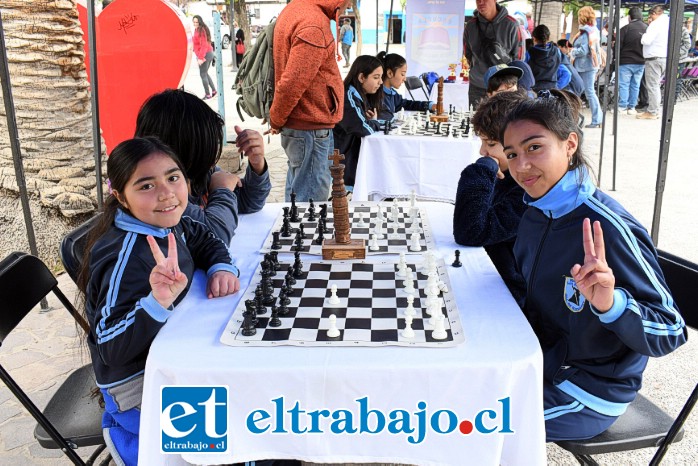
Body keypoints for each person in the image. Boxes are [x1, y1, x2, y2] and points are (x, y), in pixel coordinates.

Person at [500, 91, 686, 441]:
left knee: (473, 422)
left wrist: (611, 304)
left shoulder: (608, 227)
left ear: (570, 144)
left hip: (589, 391)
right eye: (512, 154)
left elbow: (671, 330)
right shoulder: (534, 214)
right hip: (537, 363)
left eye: (534, 147)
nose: (521, 165)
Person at [77, 137, 241, 465]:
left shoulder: (169, 221)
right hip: (139, 390)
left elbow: (205, 235)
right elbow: (110, 347)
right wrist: (156, 301)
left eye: (173, 178)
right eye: (146, 185)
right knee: (246, 421)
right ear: (120, 196)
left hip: (172, 360)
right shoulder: (127, 257)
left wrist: (220, 266)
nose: (166, 193)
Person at [135, 89, 271, 244]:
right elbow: (216, 238)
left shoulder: (200, 173)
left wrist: (257, 163)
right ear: (185, 149)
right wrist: (222, 189)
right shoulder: (166, 196)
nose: (213, 155)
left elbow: (249, 202)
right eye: (207, 146)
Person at [453, 91, 529, 308]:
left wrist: (481, 171)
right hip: (489, 276)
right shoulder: (507, 177)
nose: (482, 150)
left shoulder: (525, 192)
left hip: (510, 297)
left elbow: (469, 232)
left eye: (491, 143)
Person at [269, 0, 348, 202]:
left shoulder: (298, 10)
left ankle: (295, 232)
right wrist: (276, 119)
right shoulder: (313, 23)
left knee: (297, 196)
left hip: (304, 125)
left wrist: (278, 118)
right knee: (309, 204)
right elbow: (292, 81)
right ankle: (303, 235)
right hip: (310, 126)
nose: (349, 6)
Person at [333, 55, 384, 188]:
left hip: (352, 153)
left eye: (380, 77)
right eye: (376, 77)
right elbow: (363, 128)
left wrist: (372, 122)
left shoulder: (359, 95)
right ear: (361, 77)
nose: (380, 82)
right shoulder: (348, 96)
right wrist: (375, 122)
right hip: (346, 158)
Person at [463, 0, 524, 107]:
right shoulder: (471, 26)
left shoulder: (512, 24)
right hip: (477, 87)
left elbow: (519, 59)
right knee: (478, 120)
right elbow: (468, 53)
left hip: (505, 88)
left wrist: (509, 84)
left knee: (505, 121)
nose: (481, 2)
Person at [377, 52, 434, 121]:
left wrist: (429, 105)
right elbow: (385, 118)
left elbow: (406, 104)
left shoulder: (392, 94)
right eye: (402, 74)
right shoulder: (377, 95)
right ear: (390, 73)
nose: (405, 79)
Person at [570, 6, 602, 128]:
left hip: (584, 65)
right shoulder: (593, 30)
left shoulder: (585, 32)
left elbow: (583, 50)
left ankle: (596, 119)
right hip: (590, 64)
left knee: (587, 91)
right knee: (589, 92)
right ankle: (596, 119)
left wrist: (572, 51)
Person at [639, 5, 669, 120]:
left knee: (652, 86)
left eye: (650, 16)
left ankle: (652, 111)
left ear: (654, 14)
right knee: (656, 85)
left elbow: (646, 40)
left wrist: (644, 35)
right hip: (663, 57)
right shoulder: (668, 23)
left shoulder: (655, 24)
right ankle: (654, 110)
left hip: (654, 58)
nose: (650, 18)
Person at [617, 7, 647, 115]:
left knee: (624, 84)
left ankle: (622, 106)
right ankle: (632, 107)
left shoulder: (625, 29)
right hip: (641, 61)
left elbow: (618, 46)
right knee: (636, 85)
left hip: (625, 61)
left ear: (630, 17)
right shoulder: (647, 28)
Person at [527, 24, 570, 91]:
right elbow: (567, 74)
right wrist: (557, 88)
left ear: (534, 38)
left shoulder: (529, 53)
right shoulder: (557, 51)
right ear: (548, 38)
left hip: (535, 90)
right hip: (552, 89)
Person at [192, 15, 217, 100]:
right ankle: (214, 91)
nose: (195, 24)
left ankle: (207, 94)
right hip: (207, 53)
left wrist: (200, 57)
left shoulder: (201, 30)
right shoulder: (198, 29)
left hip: (205, 54)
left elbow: (204, 44)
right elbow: (196, 43)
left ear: (200, 22)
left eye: (197, 22)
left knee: (202, 74)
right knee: (205, 73)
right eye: (194, 22)